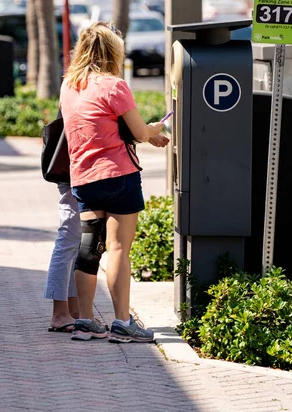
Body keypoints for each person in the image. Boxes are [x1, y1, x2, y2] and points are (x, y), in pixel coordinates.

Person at [60, 21, 169, 342]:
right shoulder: (113, 85)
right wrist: (152, 130)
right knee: (120, 247)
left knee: (89, 249)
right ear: (113, 52)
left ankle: (84, 321)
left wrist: (147, 135)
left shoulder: (70, 85)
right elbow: (137, 132)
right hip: (119, 176)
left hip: (84, 177)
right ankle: (122, 322)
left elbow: (97, 126)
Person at [44, 184, 81, 332]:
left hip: (77, 172)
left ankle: (73, 311)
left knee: (76, 241)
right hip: (73, 172)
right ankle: (60, 314)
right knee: (68, 239)